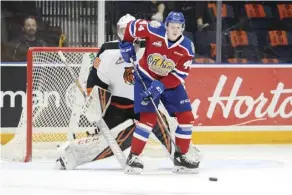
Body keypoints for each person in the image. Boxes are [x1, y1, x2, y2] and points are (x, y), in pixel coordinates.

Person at [55, 14, 199, 170]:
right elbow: (96, 80)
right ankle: (73, 155)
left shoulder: (150, 44)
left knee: (163, 125)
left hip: (146, 100)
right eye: (122, 30)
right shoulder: (109, 51)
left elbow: (172, 75)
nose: (125, 34)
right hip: (118, 107)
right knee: (109, 141)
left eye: (127, 30)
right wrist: (94, 102)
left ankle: (183, 152)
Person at [118, 11, 200, 174]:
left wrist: (161, 86)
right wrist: (126, 43)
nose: (174, 30)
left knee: (186, 117)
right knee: (148, 119)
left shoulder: (187, 48)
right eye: (171, 27)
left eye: (178, 27)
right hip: (145, 77)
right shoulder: (154, 29)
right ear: (166, 26)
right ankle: (134, 157)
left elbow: (180, 75)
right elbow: (131, 27)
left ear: (182, 28)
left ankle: (181, 157)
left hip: (169, 83)